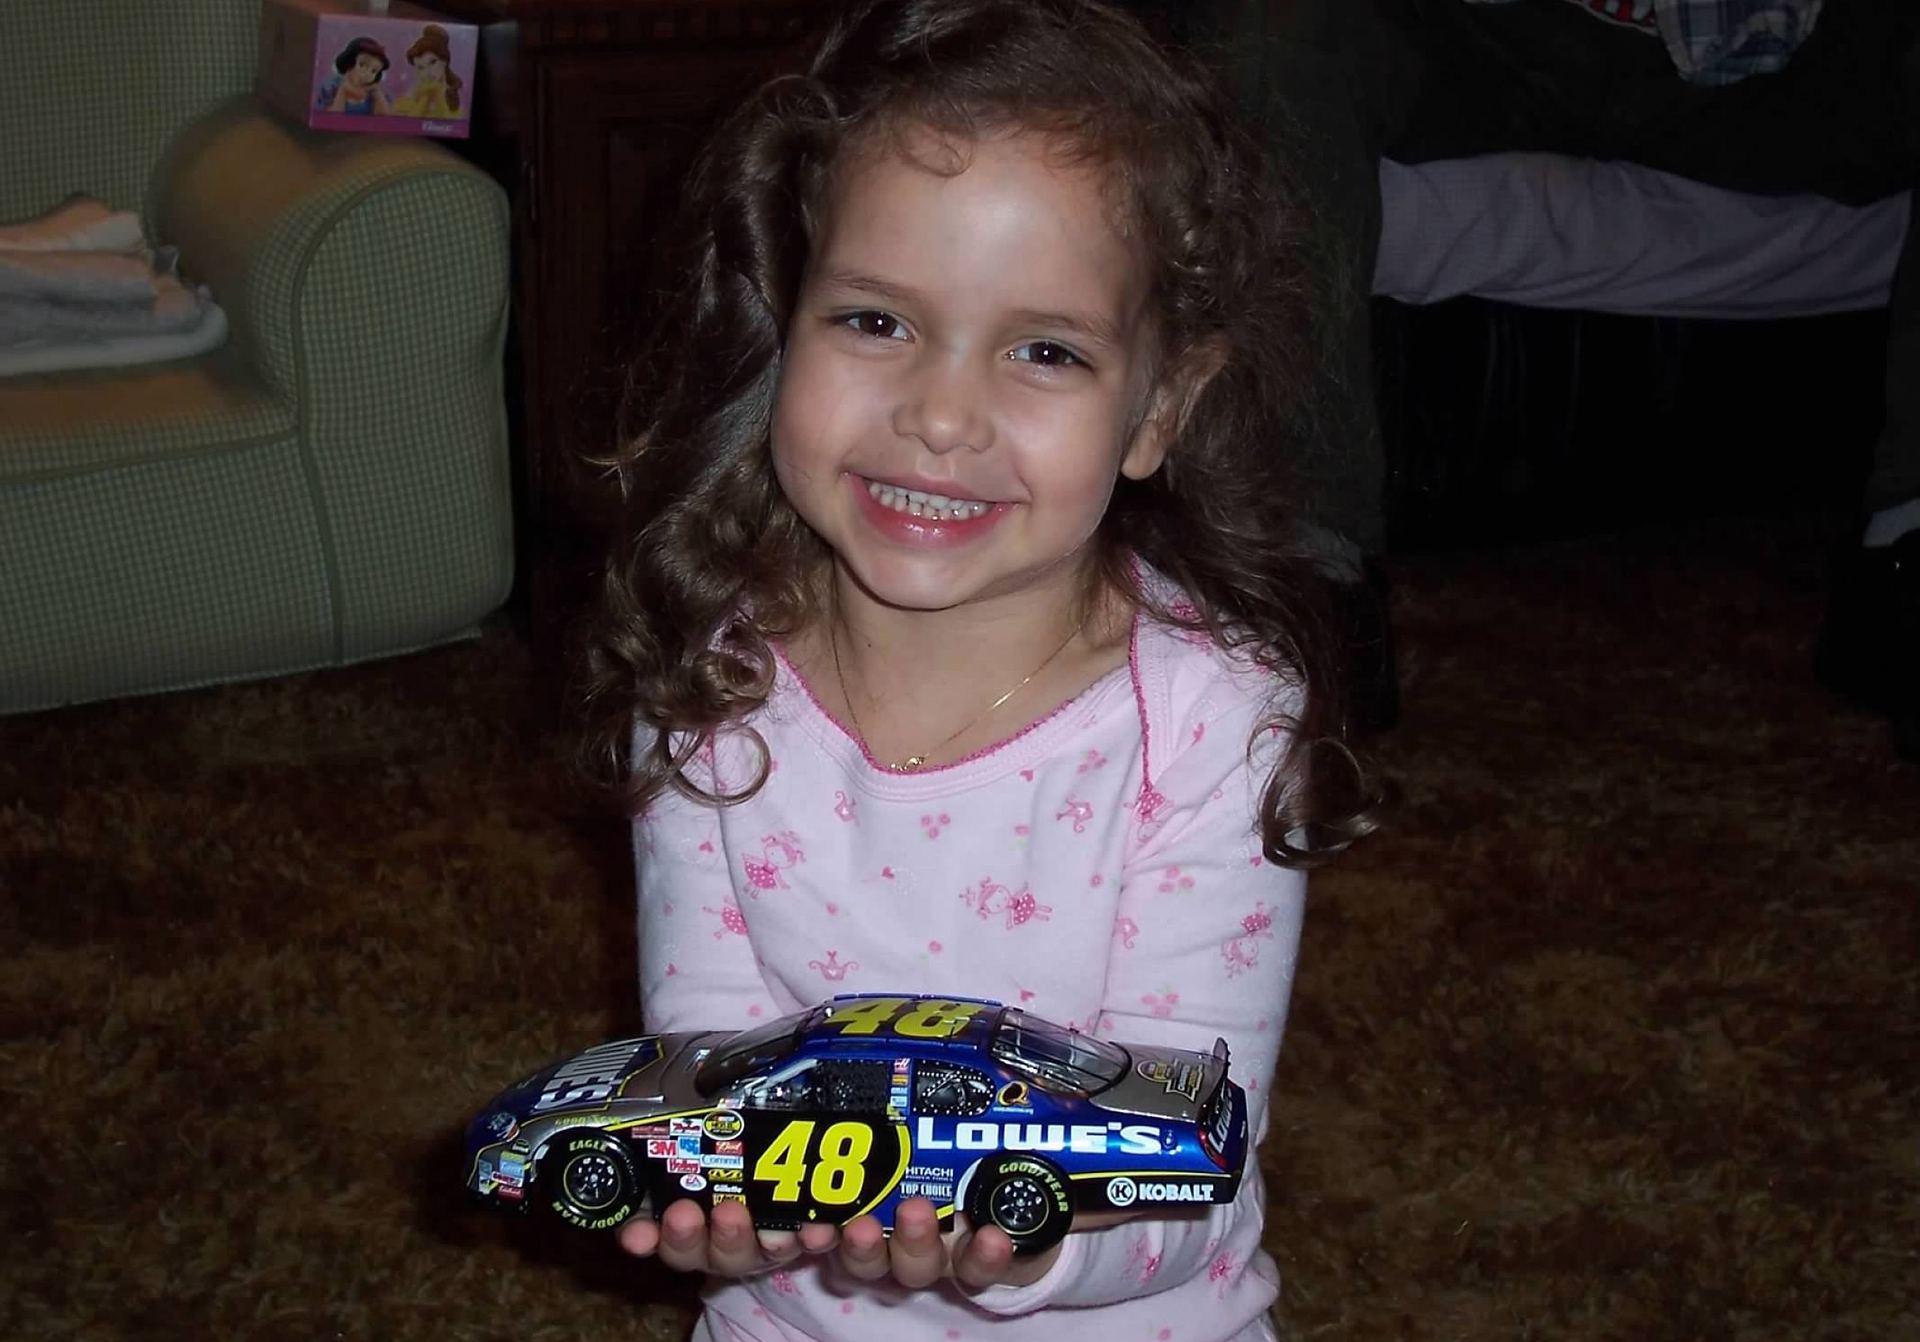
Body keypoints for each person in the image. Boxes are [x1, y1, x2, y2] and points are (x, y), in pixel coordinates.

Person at [573, 0, 1384, 1337]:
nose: (942, 415)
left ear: (1160, 409)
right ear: (783, 320)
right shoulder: (710, 689)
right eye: (875, 321)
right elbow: (712, 1048)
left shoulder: (1210, 723)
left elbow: (1197, 1149)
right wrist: (716, 1186)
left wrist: (1025, 1242)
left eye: (1045, 350)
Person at [1198, 0, 1918, 752]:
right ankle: (1310, 574)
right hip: (1502, 32)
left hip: (1781, 51)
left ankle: (1904, 559)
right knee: (1289, 33)